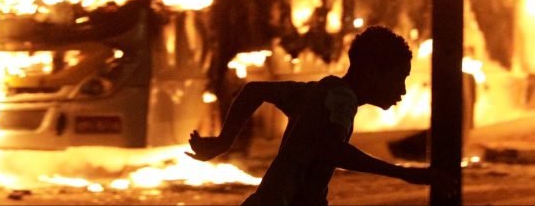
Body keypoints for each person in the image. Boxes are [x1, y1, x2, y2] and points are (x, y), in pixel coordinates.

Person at [187, 25, 456, 205]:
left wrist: (225, 141)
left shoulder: (318, 90)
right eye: (399, 78)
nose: (403, 90)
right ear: (373, 72)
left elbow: (254, 91)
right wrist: (403, 172)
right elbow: (333, 149)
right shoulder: (342, 99)